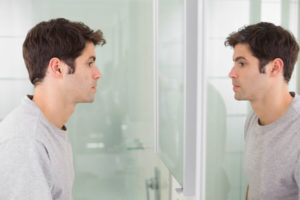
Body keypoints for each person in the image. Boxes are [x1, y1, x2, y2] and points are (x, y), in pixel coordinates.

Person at [0, 18, 105, 200]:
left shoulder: (50, 128)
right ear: (57, 68)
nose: (98, 73)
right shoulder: (27, 142)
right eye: (89, 63)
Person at [225, 22, 300, 200]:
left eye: (242, 64)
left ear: (274, 68)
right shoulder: (254, 118)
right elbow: (254, 187)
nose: (232, 73)